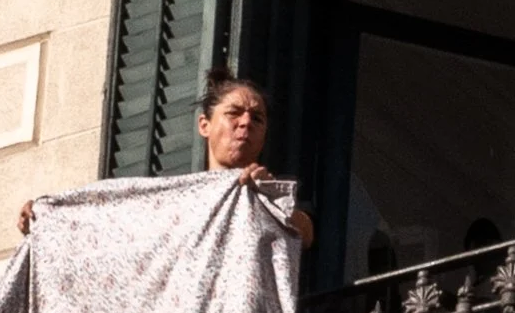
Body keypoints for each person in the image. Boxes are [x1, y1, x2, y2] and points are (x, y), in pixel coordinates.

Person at [17, 69, 314, 246]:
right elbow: (113, 225)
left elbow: (307, 234)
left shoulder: (274, 194)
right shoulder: (177, 199)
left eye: (257, 118)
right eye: (234, 113)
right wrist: (48, 217)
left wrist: (270, 201)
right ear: (204, 125)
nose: (246, 122)